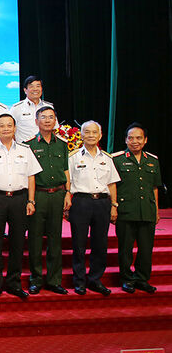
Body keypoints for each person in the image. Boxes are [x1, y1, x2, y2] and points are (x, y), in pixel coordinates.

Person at [0, 113, 41, 299]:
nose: (6, 129)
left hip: (20, 199)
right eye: (2, 126)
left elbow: (31, 176)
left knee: (18, 242)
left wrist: (31, 200)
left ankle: (14, 283)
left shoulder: (25, 150)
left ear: (15, 128)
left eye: (9, 125)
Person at [67, 120, 120, 296]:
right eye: (87, 132)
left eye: (94, 132)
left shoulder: (107, 158)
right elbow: (68, 183)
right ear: (81, 135)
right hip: (81, 202)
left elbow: (112, 184)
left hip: (102, 203)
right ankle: (79, 281)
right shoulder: (73, 157)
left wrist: (114, 205)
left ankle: (95, 279)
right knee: (79, 244)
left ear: (100, 135)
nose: (91, 135)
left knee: (100, 243)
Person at [24, 106, 71, 295]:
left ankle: (54, 280)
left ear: (55, 121)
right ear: (36, 121)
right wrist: (30, 199)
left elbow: (66, 170)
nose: (47, 120)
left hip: (58, 194)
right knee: (35, 239)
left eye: (51, 117)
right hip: (39, 195)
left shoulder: (62, 145)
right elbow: (28, 175)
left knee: (55, 239)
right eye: (43, 117)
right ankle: (35, 279)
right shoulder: (29, 145)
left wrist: (68, 192)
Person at [112, 123, 162, 294]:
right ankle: (127, 279)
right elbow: (112, 186)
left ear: (145, 140)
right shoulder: (117, 159)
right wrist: (114, 207)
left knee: (146, 249)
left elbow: (155, 187)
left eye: (139, 138)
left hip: (147, 210)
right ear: (125, 140)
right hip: (126, 210)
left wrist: (156, 210)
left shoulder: (153, 160)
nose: (135, 141)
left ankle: (142, 279)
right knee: (125, 248)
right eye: (131, 138)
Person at [10, 76, 53, 143]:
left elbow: (54, 129)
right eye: (31, 86)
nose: (35, 89)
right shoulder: (16, 108)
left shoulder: (49, 107)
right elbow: (10, 131)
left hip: (45, 146)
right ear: (25, 90)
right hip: (24, 147)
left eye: (38, 86)